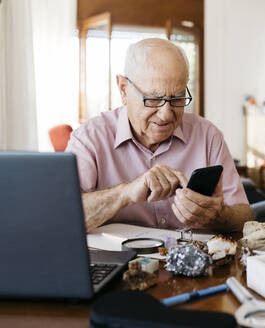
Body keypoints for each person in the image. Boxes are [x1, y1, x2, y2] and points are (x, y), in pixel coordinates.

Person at [66, 38, 253, 233]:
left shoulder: (207, 135)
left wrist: (219, 215)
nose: (166, 114)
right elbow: (63, 218)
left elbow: (244, 217)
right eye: (153, 99)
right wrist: (125, 194)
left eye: (178, 98)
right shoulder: (89, 139)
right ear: (123, 89)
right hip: (123, 261)